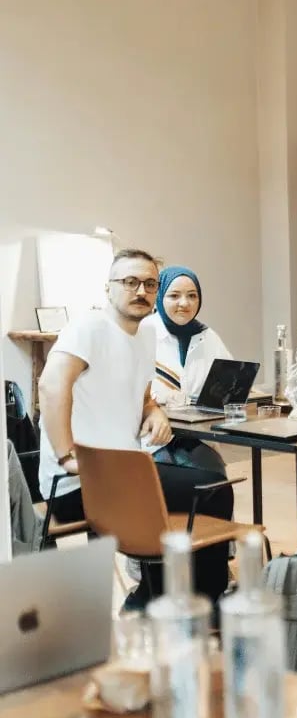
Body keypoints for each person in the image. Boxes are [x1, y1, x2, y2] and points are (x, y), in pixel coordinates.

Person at [37, 249, 233, 608]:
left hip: (124, 472)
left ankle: (162, 596)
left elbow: (142, 394)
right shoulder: (89, 327)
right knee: (211, 491)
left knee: (203, 485)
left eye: (149, 284)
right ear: (108, 288)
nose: (141, 290)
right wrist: (66, 456)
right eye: (130, 282)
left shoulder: (143, 337)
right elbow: (51, 386)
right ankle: (200, 602)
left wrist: (153, 410)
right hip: (77, 484)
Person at [148, 265, 231, 475]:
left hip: (196, 435)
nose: (184, 303)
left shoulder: (208, 336)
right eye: (174, 295)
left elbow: (230, 382)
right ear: (159, 297)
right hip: (151, 436)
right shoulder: (143, 332)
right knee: (169, 479)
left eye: (192, 296)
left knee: (214, 479)